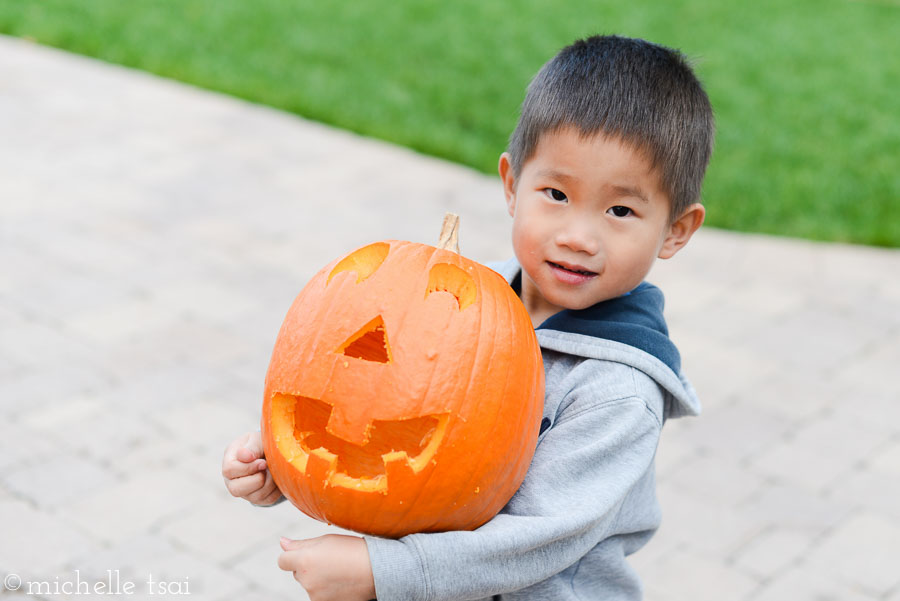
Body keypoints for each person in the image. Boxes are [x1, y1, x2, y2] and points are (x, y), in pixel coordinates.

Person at [221, 34, 714, 601]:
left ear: (676, 230)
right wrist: (281, 468)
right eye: (555, 193)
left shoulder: (617, 393)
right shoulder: (462, 304)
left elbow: (537, 540)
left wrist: (384, 571)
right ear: (511, 185)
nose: (578, 237)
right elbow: (389, 408)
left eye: (620, 210)